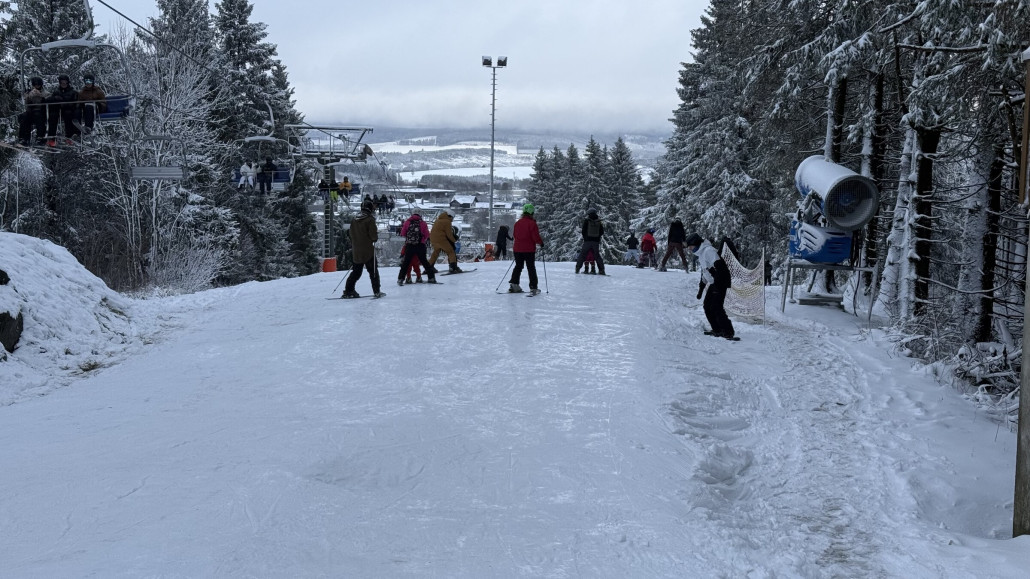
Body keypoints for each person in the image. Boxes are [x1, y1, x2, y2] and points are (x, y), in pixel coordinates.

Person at [687, 233, 735, 340]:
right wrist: (701, 289)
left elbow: (721, 267)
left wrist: (718, 285)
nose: (690, 249)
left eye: (691, 246)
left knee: (716, 307)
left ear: (696, 243)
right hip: (714, 282)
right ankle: (717, 329)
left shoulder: (708, 251)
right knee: (707, 306)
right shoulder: (701, 255)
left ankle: (728, 331)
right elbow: (705, 273)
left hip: (721, 281)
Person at [342, 199, 384, 298]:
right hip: (368, 250)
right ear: (370, 209)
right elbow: (374, 237)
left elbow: (351, 234)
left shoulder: (354, 219)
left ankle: (349, 290)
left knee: (356, 272)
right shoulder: (370, 220)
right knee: (373, 271)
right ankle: (376, 291)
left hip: (356, 251)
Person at [509, 203, 544, 294]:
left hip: (517, 249)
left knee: (518, 266)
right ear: (531, 212)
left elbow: (515, 235)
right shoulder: (532, 223)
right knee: (531, 267)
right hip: (528, 249)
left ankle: (514, 284)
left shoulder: (517, 223)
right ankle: (533, 287)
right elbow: (535, 237)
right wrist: (541, 243)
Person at [397, 212, 438, 285]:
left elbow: (403, 233)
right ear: (420, 215)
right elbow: (427, 235)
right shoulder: (423, 223)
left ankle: (401, 279)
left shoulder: (407, 222)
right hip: (420, 245)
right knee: (424, 262)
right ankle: (431, 277)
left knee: (406, 263)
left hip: (410, 245)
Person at [46, 74, 79, 143]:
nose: (64, 84)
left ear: (68, 83)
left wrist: (66, 103)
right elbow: (48, 100)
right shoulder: (56, 92)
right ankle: (51, 138)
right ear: (60, 83)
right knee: (53, 116)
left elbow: (76, 102)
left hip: (68, 109)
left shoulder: (73, 92)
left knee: (68, 115)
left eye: (65, 82)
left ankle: (69, 136)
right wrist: (54, 98)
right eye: (62, 82)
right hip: (58, 110)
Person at [16, 77, 48, 146]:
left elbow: (48, 97)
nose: (36, 86)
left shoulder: (44, 92)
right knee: (24, 117)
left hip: (41, 111)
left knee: (38, 116)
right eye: (35, 85)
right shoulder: (29, 92)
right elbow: (25, 100)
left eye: (38, 85)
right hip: (31, 112)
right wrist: (29, 96)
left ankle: (40, 137)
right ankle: (24, 138)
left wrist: (41, 95)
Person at [429, 208, 462, 273]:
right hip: (441, 239)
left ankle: (429, 267)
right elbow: (449, 234)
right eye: (452, 218)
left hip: (433, 239)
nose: (452, 220)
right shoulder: (447, 222)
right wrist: (454, 241)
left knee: (435, 253)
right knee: (451, 252)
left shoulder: (438, 220)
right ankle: (453, 267)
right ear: (450, 216)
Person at [574, 208, 605, 275]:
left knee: (582, 255)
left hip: (587, 241)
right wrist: (597, 237)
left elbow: (583, 231)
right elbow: (602, 232)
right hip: (596, 242)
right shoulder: (599, 221)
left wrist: (586, 238)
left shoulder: (587, 220)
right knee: (597, 256)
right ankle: (601, 270)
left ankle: (577, 268)